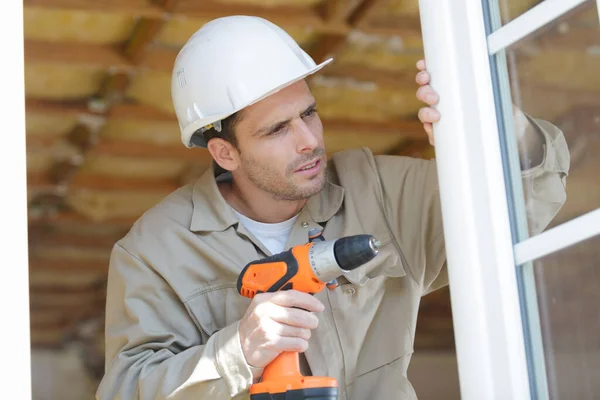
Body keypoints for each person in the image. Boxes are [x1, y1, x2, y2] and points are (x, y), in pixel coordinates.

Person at [96, 15, 569, 400]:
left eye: (308, 113)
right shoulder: (154, 251)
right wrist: (237, 351)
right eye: (277, 130)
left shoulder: (377, 192)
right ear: (225, 153)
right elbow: (124, 390)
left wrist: (498, 126)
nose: (309, 141)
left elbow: (525, 206)